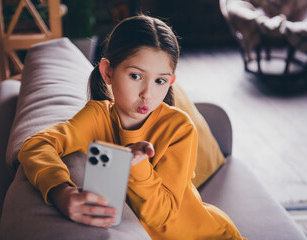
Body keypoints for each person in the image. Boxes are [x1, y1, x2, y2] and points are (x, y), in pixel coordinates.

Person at [18, 15, 246, 240]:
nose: (148, 94)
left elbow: (162, 215)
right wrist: (61, 191)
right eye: (135, 76)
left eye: (160, 81)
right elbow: (35, 145)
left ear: (171, 82)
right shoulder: (96, 117)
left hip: (209, 235)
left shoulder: (179, 128)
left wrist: (137, 167)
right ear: (108, 72)